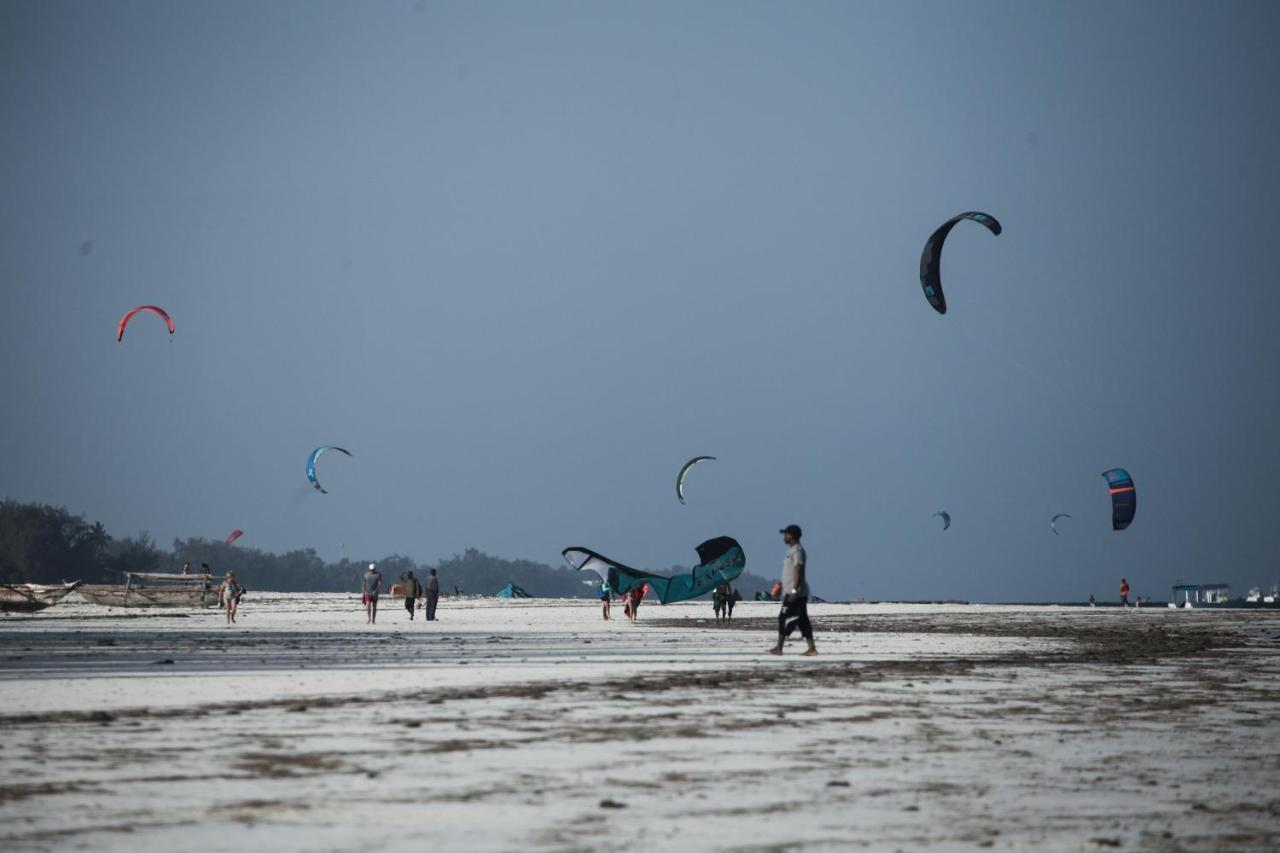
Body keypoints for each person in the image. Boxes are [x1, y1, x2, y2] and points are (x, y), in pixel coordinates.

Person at [769, 525, 816, 656]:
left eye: (786, 534)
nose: (784, 536)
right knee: (803, 621)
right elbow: (789, 572)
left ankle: (779, 648)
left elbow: (798, 571)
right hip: (791, 591)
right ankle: (811, 649)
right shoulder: (791, 551)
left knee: (783, 618)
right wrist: (781, 585)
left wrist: (794, 590)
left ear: (792, 536)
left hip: (796, 594)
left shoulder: (797, 551)